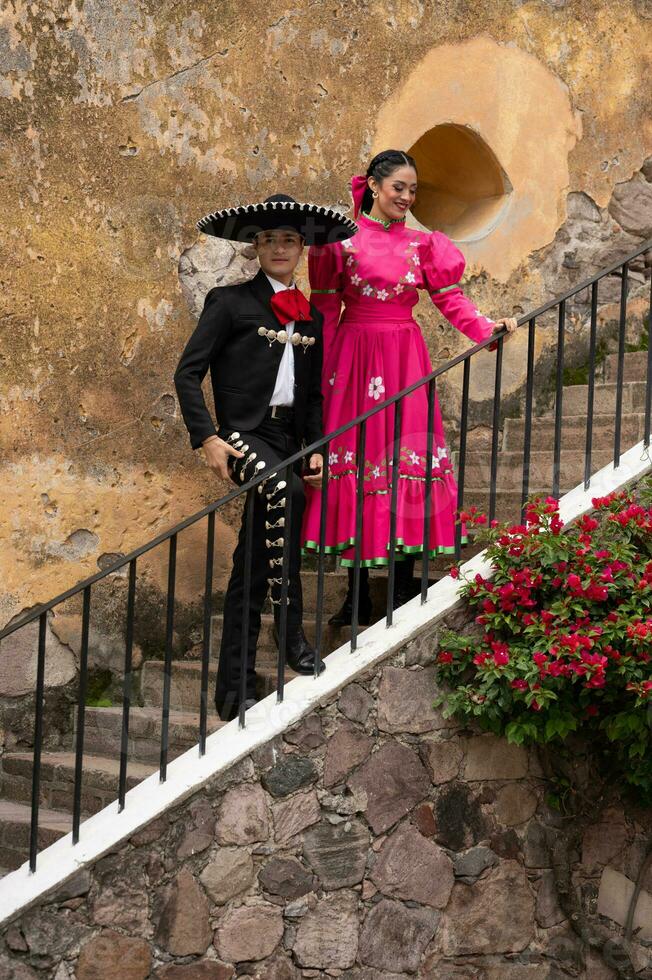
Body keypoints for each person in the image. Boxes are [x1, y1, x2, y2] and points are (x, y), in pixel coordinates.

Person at [302, 151, 517, 625]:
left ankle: (400, 591)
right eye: (398, 187)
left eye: (413, 189)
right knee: (358, 466)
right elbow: (325, 316)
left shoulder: (424, 245)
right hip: (354, 362)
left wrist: (486, 329)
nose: (406, 197)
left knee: (405, 463)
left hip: (404, 361)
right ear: (374, 188)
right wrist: (320, 377)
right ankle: (355, 599)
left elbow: (450, 300)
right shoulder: (340, 242)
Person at [174, 194, 357, 721]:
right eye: (270, 239)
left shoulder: (311, 318)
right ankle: (291, 633)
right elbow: (188, 373)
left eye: (290, 240)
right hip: (239, 436)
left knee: (253, 562)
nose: (280, 248)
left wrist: (315, 449)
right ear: (256, 247)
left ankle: (234, 685)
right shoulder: (228, 303)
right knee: (286, 491)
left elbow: (313, 395)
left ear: (301, 249)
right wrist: (206, 438)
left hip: (285, 440)